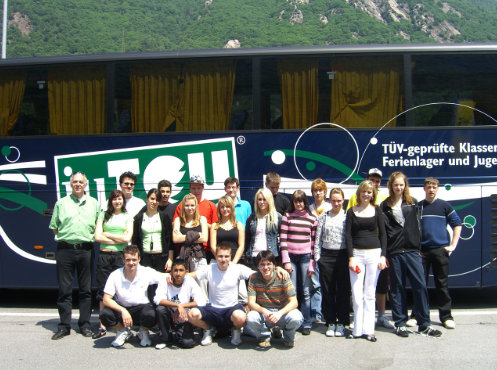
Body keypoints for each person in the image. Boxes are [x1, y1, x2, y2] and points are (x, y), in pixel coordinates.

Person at [380, 172, 442, 338]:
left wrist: (418, 245)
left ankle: (424, 325)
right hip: (395, 252)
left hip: (412, 251)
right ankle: (400, 323)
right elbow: (384, 233)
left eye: (401, 184)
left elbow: (418, 226)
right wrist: (384, 253)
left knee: (420, 285)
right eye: (396, 185)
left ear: (405, 185)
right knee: (397, 288)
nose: (399, 187)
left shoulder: (412, 202)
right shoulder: (384, 205)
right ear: (391, 186)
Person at [49, 171, 100, 340]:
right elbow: (54, 226)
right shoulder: (61, 203)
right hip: (65, 250)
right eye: (75, 182)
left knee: (86, 290)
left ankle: (84, 325)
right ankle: (64, 326)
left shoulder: (94, 203)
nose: (78, 184)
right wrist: (67, 239)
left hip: (86, 250)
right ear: (70, 184)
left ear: (86, 184)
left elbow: (98, 227)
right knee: (65, 290)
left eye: (81, 182)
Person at [347, 168, 393, 330]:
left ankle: (370, 327)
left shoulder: (382, 202)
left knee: (371, 292)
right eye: (372, 179)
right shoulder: (353, 204)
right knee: (358, 294)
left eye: (377, 180)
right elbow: (349, 233)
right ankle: (358, 327)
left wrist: (383, 255)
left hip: (375, 251)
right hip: (358, 253)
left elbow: (384, 233)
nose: (374, 183)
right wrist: (351, 256)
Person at [414, 177, 462, 330]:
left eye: (434, 187)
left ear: (437, 188)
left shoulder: (445, 206)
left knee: (442, 285)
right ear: (424, 188)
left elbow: (457, 224)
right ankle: (417, 315)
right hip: (422, 252)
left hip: (440, 251)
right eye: (429, 187)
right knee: (420, 285)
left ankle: (446, 317)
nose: (431, 189)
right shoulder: (418, 206)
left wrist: (453, 245)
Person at [187, 242, 255, 346]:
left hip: (231, 309)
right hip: (212, 309)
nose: (223, 259)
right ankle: (208, 329)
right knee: (192, 314)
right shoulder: (210, 268)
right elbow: (191, 275)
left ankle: (235, 330)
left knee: (241, 317)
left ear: (230, 256)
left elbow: (256, 275)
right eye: (220, 256)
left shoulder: (237, 268)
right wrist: (171, 276)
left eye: (226, 256)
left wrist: (277, 268)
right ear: (216, 256)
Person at [100, 245, 162, 347]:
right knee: (105, 315)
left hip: (142, 309)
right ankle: (123, 331)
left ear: (139, 259)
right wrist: (122, 310)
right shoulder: (115, 275)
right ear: (123, 259)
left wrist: (192, 275)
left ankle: (143, 331)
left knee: (152, 314)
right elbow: (106, 299)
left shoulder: (146, 272)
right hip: (123, 308)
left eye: (134, 259)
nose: (131, 263)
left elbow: (166, 277)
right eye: (128, 260)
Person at [93, 189, 134, 339]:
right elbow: (97, 237)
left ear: (123, 201)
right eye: (114, 199)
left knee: (119, 289)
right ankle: (102, 325)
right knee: (103, 289)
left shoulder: (127, 217)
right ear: (110, 201)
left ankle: (121, 323)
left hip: (119, 257)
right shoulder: (103, 215)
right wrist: (117, 238)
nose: (117, 201)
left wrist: (108, 234)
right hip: (104, 255)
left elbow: (127, 238)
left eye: (120, 199)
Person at [247, 250, 303, 348]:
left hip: (281, 313)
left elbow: (294, 302)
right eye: (262, 264)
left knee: (296, 317)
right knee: (251, 317)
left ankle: (288, 337)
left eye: (269, 264)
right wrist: (263, 311)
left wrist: (279, 313)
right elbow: (251, 303)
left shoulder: (282, 276)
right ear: (258, 266)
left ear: (274, 265)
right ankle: (264, 336)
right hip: (265, 313)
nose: (265, 267)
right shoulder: (253, 277)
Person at [280, 189, 318, 335]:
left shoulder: (312, 219)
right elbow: (282, 240)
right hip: (291, 258)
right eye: (296, 201)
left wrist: (312, 263)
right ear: (293, 202)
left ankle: (307, 322)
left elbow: (314, 243)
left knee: (306, 291)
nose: (299, 204)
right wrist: (286, 261)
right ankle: (294, 321)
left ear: (305, 202)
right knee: (293, 291)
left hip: (305, 258)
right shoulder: (287, 217)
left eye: (301, 201)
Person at [314, 188, 350, 337]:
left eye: (339, 200)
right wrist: (318, 258)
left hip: (343, 255)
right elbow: (317, 239)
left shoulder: (347, 216)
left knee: (343, 290)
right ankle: (330, 322)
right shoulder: (323, 216)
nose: (336, 203)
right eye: (333, 200)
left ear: (343, 200)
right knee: (328, 291)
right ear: (329, 200)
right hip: (327, 256)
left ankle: (341, 322)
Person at [154, 259, 207, 349]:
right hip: (170, 313)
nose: (178, 273)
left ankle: (178, 335)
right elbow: (157, 300)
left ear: (186, 272)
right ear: (171, 272)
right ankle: (166, 338)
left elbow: (202, 301)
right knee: (160, 309)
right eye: (175, 270)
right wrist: (177, 305)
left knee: (188, 343)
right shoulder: (165, 281)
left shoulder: (189, 281)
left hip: (183, 315)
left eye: (181, 270)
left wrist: (182, 306)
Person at [174, 175, 218, 260]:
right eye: (193, 188)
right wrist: (198, 234)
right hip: (184, 250)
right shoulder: (181, 206)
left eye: (199, 188)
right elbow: (175, 228)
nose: (196, 191)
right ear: (190, 188)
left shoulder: (211, 206)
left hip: (205, 250)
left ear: (203, 188)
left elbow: (215, 227)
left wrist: (203, 225)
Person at [173, 193, 209, 295]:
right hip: (183, 257)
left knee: (202, 288)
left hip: (199, 257)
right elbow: (175, 239)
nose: (190, 208)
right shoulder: (178, 220)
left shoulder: (202, 219)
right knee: (184, 287)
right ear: (183, 206)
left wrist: (184, 236)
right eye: (187, 205)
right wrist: (197, 234)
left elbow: (205, 238)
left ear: (196, 206)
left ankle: (203, 309)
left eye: (192, 205)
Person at [132, 188, 173, 273]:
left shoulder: (164, 217)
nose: (154, 202)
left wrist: (170, 259)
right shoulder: (139, 218)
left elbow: (170, 241)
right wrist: (136, 258)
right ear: (147, 199)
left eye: (157, 200)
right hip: (144, 257)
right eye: (152, 199)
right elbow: (135, 240)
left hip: (161, 257)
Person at [309, 178, 331, 323]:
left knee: (328, 282)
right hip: (312, 250)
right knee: (315, 283)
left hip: (328, 249)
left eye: (320, 191)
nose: (318, 193)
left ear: (325, 192)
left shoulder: (330, 208)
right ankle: (316, 313)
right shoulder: (309, 209)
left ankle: (329, 312)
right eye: (315, 191)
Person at [245, 188, 282, 269]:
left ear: (269, 200)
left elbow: (283, 239)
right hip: (254, 257)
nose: (262, 202)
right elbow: (247, 238)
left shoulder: (277, 217)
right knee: (253, 281)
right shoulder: (251, 218)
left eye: (264, 199)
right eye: (259, 199)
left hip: (271, 258)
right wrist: (245, 255)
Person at [210, 195, 245, 263]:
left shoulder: (239, 225)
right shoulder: (214, 226)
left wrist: (233, 263)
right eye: (222, 207)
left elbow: (241, 246)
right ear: (219, 209)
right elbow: (212, 247)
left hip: (235, 261)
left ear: (232, 208)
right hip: (218, 261)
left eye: (227, 206)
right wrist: (221, 259)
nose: (225, 209)